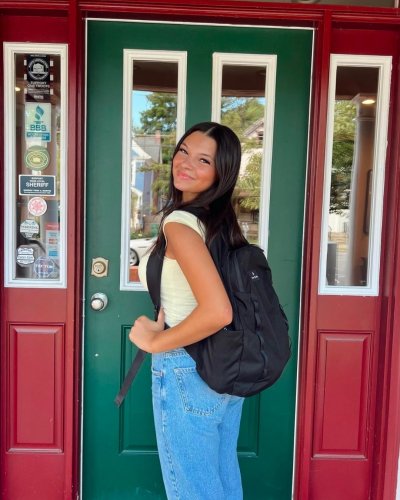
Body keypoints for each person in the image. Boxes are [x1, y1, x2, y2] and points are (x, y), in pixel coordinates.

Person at [129, 122, 247, 500]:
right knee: (222, 482)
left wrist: (155, 342)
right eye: (183, 151)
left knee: (193, 491)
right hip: (225, 367)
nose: (186, 163)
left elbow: (218, 311)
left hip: (187, 366)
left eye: (203, 160)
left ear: (221, 172)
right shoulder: (219, 223)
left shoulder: (180, 223)